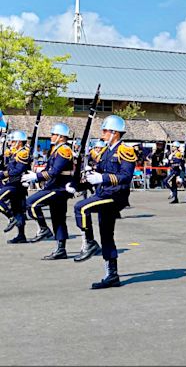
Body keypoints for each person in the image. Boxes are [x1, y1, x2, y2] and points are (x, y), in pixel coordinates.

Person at [69, 115, 136, 288]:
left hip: (115, 196)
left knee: (81, 208)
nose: (103, 133)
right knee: (107, 235)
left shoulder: (125, 151)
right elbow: (95, 174)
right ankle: (112, 275)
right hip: (103, 194)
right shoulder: (106, 151)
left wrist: (102, 178)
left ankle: (90, 243)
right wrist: (77, 184)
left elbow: (126, 177)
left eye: (105, 130)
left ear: (114, 132)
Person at [22, 123, 74, 259]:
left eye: (54, 134)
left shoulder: (64, 150)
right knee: (58, 219)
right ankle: (61, 249)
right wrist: (35, 175)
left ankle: (44, 229)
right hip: (55, 187)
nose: (51, 136)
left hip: (58, 188)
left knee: (31, 203)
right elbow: (50, 169)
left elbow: (55, 171)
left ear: (61, 136)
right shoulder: (56, 149)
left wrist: (37, 176)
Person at [0, 131, 30, 243]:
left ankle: (11, 218)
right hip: (13, 183)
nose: (11, 143)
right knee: (17, 210)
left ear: (19, 142)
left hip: (16, 184)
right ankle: (21, 235)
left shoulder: (23, 153)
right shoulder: (15, 152)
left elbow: (18, 170)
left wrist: (3, 174)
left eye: (13, 141)